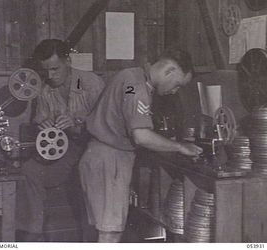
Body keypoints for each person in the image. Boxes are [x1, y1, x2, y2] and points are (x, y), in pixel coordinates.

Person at [78, 48, 203, 242]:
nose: (175, 91)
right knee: (110, 234)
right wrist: (180, 147)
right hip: (110, 162)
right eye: (177, 84)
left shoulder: (132, 76)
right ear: (169, 71)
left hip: (100, 158)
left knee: (101, 231)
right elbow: (141, 136)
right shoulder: (137, 87)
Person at [15, 39, 105, 241]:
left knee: (87, 170)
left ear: (68, 60)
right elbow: (39, 122)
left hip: (95, 146)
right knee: (29, 170)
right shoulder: (45, 90)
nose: (50, 75)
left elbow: (107, 125)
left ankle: (92, 240)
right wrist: (43, 125)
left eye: (55, 69)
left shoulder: (91, 83)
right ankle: (33, 234)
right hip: (66, 149)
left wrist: (78, 123)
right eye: (45, 70)